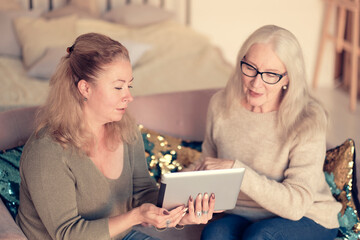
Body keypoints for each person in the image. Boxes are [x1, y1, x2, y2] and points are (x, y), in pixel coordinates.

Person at [15, 32, 215, 240]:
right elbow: (67, 234)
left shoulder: (125, 129)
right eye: (118, 87)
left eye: (129, 86)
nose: (129, 97)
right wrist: (135, 217)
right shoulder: (47, 150)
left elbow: (143, 194)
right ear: (85, 88)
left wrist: (181, 213)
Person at [189, 25, 341, 239]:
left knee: (261, 235)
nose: (256, 82)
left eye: (270, 74)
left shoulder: (307, 117)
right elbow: (208, 162)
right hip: (242, 213)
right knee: (214, 234)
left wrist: (237, 171)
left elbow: (296, 206)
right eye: (250, 67)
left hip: (307, 216)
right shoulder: (220, 104)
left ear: (288, 78)